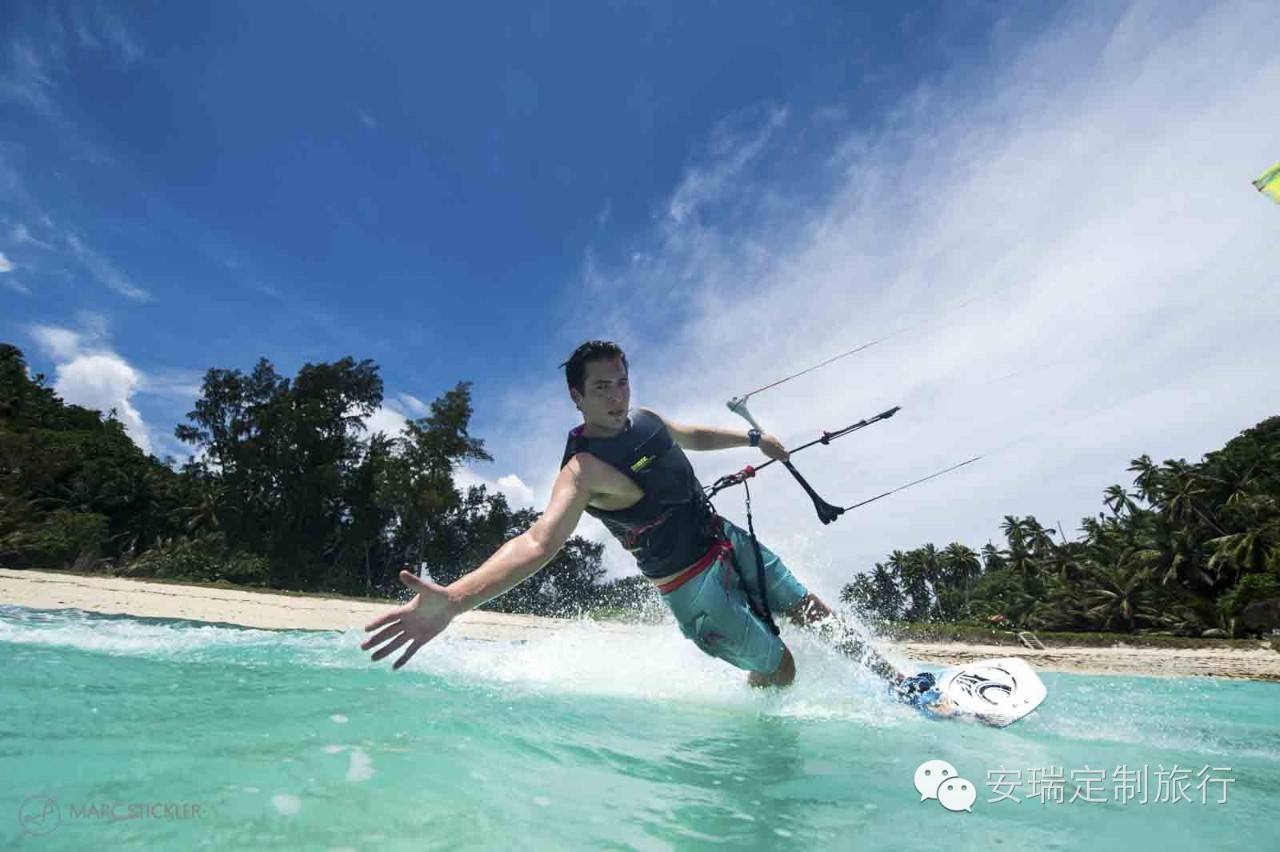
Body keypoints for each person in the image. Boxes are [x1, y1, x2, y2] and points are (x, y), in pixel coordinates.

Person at [363, 340, 937, 701]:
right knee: (781, 668)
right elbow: (538, 541)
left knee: (812, 610)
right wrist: (456, 599)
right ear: (576, 397)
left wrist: (755, 437)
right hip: (691, 587)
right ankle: (753, 737)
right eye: (602, 387)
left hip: (725, 541)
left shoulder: (645, 418)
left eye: (622, 382)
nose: (616, 396)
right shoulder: (582, 471)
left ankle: (898, 685)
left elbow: (687, 434)